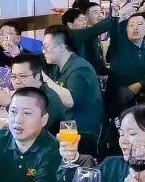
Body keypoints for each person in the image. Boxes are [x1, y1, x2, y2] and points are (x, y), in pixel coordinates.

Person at [41, 25, 104, 155]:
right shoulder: (58, 67)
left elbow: (70, 101)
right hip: (66, 128)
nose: (43, 51)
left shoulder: (80, 68)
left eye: (46, 47)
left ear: (61, 47)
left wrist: (46, 80)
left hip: (82, 134)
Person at [0, 53, 66, 132]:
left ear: (37, 76)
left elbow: (32, 130)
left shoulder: (49, 98)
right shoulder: (30, 94)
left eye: (22, 76)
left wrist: (9, 104)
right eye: (14, 76)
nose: (17, 81)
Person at [105, 12, 145, 98]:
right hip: (118, 96)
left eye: (139, 24)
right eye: (131, 25)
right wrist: (116, 15)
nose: (135, 28)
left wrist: (140, 84)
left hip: (140, 93)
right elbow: (114, 30)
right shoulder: (119, 44)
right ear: (126, 30)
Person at [60, 7, 113, 76]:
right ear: (70, 24)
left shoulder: (88, 36)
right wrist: (115, 17)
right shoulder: (71, 35)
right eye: (81, 20)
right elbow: (95, 29)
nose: (84, 22)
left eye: (85, 19)